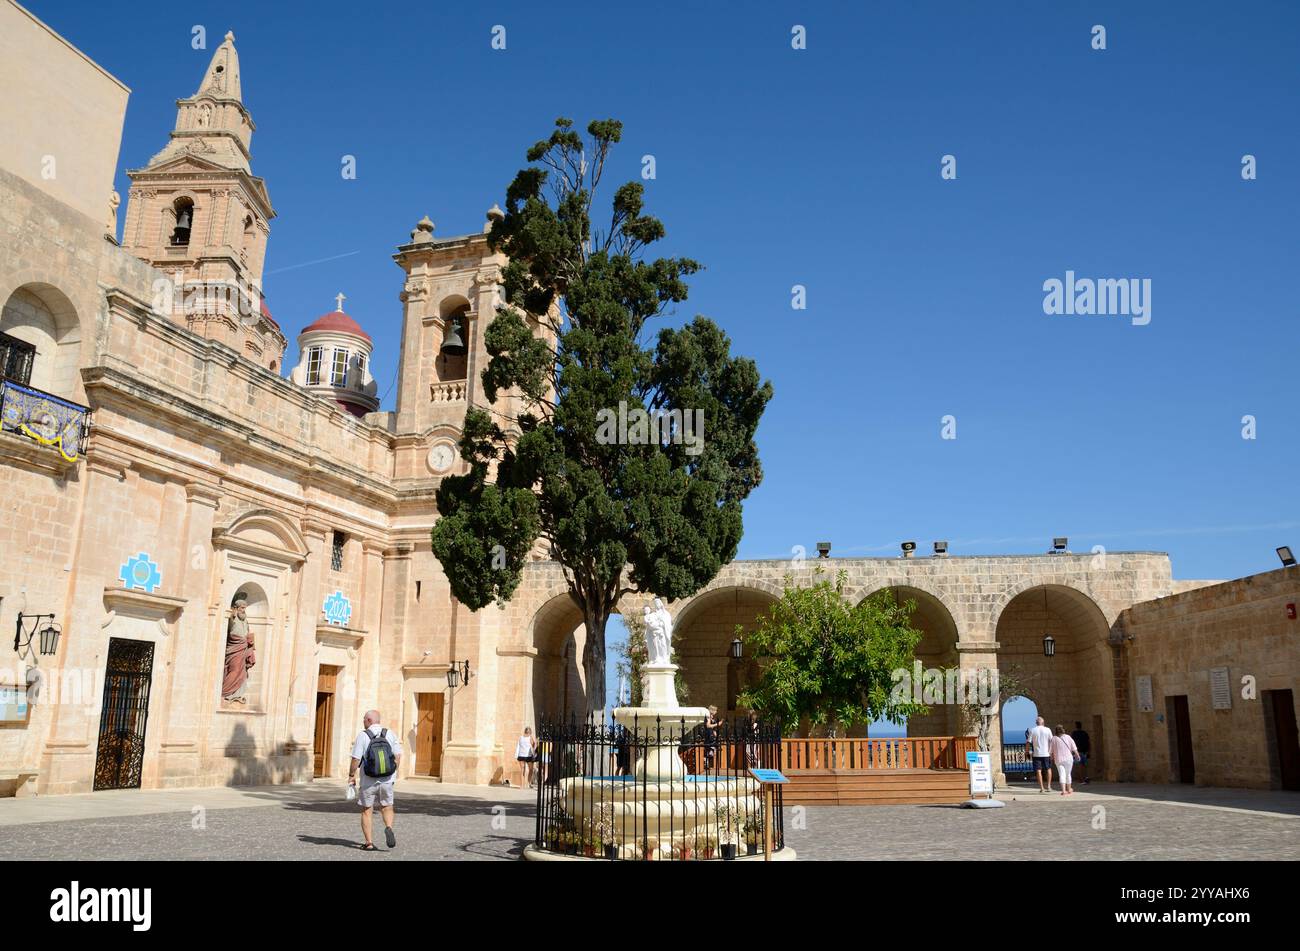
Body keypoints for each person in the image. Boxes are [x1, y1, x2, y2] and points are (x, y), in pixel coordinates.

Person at [349, 709, 402, 851]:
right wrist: (392, 772)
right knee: (387, 806)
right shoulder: (390, 734)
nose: (363, 722)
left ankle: (369, 843)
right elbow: (397, 756)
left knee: (367, 810)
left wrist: (351, 775)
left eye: (364, 720)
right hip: (387, 779)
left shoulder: (363, 736)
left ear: (369, 721)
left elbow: (356, 759)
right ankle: (389, 827)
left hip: (369, 780)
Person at [221, 598, 254, 703]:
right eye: (242, 608)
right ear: (237, 608)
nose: (243, 610)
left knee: (242, 672)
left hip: (243, 648)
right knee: (234, 670)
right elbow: (229, 629)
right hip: (234, 648)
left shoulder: (245, 620)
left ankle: (237, 694)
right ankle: (225, 691)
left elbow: (247, 632)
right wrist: (233, 614)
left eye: (245, 608)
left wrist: (249, 640)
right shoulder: (233, 617)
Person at [1027, 716, 1055, 793]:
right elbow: (1052, 741)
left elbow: (1028, 742)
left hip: (1037, 754)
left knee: (1038, 771)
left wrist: (1027, 752)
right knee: (1048, 769)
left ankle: (1042, 788)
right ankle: (1049, 786)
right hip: (1046, 754)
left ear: (1036, 723)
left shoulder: (1033, 730)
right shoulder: (1048, 730)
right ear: (1043, 722)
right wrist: (1052, 752)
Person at [1050, 723, 1080, 796]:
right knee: (1068, 774)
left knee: (1062, 774)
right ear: (1063, 729)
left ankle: (1063, 791)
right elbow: (1074, 747)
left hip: (1058, 759)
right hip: (1068, 759)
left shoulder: (1054, 739)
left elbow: (1051, 750)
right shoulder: (1068, 737)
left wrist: (1051, 757)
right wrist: (1077, 755)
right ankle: (1069, 789)